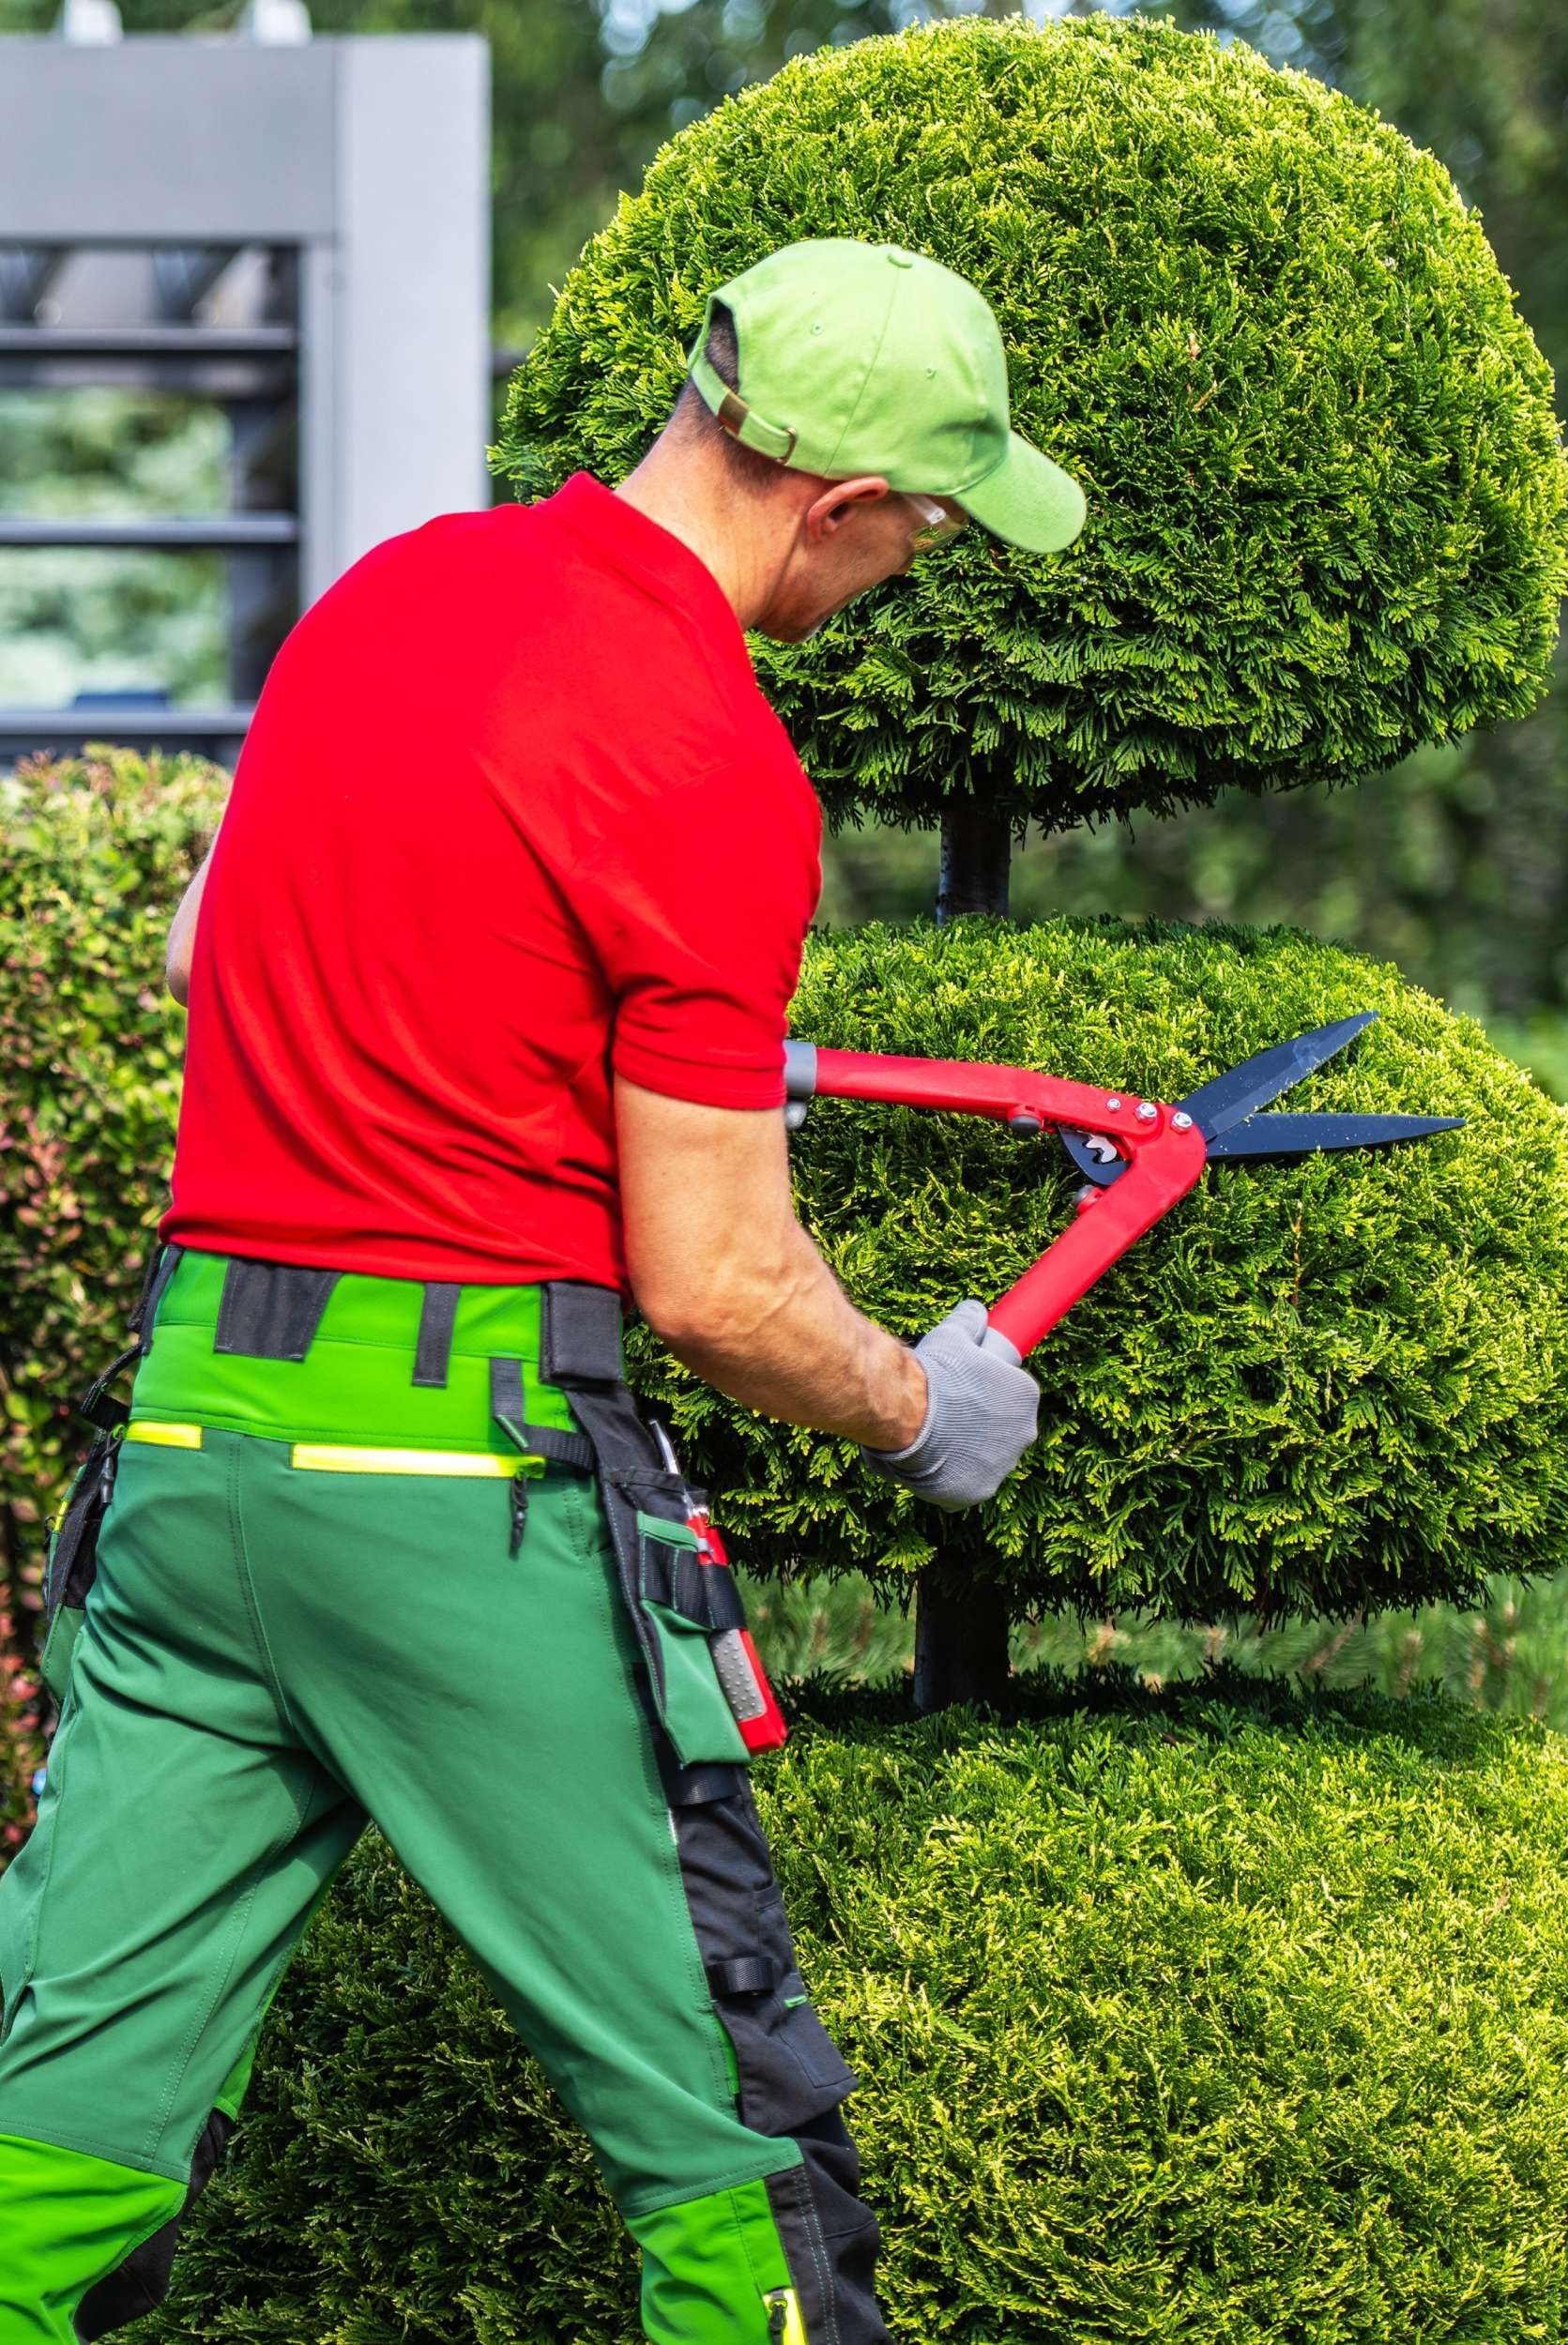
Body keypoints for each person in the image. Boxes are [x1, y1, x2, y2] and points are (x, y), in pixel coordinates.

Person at [0, 238, 1085, 2343]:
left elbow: (202, 949)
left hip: (194, 1454)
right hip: (460, 1489)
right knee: (735, 2154)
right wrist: (917, 1401)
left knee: (57, 2129)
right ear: (837, 501)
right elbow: (718, 1279)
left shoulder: (390, 592)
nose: (903, 577)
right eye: (926, 533)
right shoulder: (708, 754)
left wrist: (537, 1022)